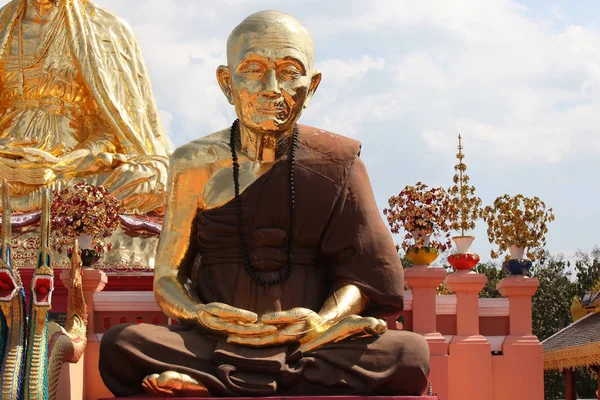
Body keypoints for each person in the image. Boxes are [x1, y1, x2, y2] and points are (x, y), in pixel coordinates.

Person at [99, 10, 430, 397]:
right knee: (120, 344)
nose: (272, 87)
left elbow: (364, 279)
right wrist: (200, 314)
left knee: (410, 353)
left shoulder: (336, 162)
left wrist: (323, 320)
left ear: (313, 84)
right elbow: (169, 277)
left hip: (308, 340)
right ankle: (269, 380)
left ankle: (213, 383)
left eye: (290, 71)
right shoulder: (194, 163)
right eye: (253, 69)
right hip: (215, 338)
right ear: (226, 83)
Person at [0, 0, 171, 214]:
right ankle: (50, 200)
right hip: (7, 163)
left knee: (159, 175)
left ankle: (30, 202)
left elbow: (114, 127)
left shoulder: (106, 28)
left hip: (73, 168)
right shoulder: (3, 26)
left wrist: (78, 159)